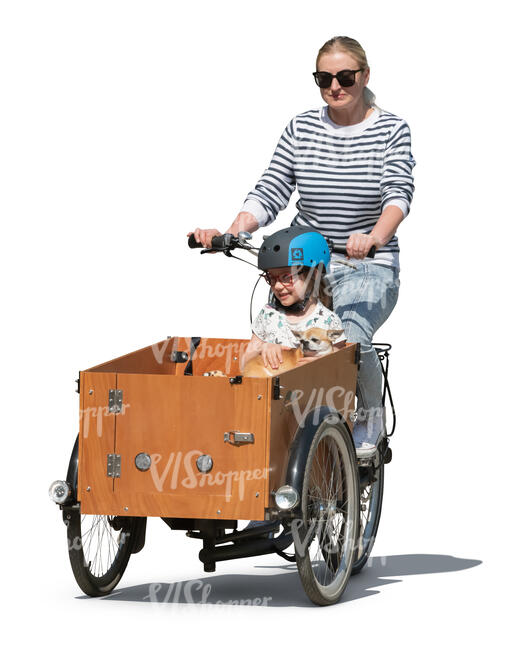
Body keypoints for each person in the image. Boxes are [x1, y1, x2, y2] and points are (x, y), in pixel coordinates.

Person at [188, 35, 416, 457]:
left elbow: (397, 193)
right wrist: (234, 228)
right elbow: (272, 186)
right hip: (304, 260)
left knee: (348, 339)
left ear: (365, 75)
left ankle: (369, 419)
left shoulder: (391, 129)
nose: (335, 86)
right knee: (268, 341)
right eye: (324, 78)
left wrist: (374, 237)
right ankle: (272, 436)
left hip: (366, 262)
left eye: (345, 76)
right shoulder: (302, 127)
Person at [240, 226, 347, 372]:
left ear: (313, 275)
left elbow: (342, 368)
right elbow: (244, 362)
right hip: (265, 390)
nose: (277, 286)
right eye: (271, 278)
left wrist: (321, 363)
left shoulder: (328, 321)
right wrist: (263, 348)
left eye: (286, 277)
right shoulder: (268, 314)